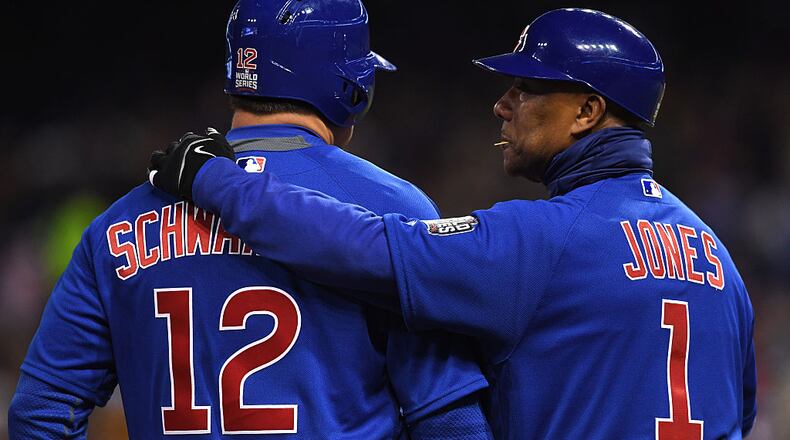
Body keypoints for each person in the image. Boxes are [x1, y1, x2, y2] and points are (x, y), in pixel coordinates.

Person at [146, 8, 757, 440]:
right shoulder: (718, 261)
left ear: (588, 111)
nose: (503, 104)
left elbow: (365, 246)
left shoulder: (541, 241)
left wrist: (214, 180)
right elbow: (740, 411)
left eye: (525, 89)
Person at [9, 1, 493, 438]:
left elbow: (40, 411)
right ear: (352, 86)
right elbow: (445, 416)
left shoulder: (118, 223)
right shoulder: (394, 209)